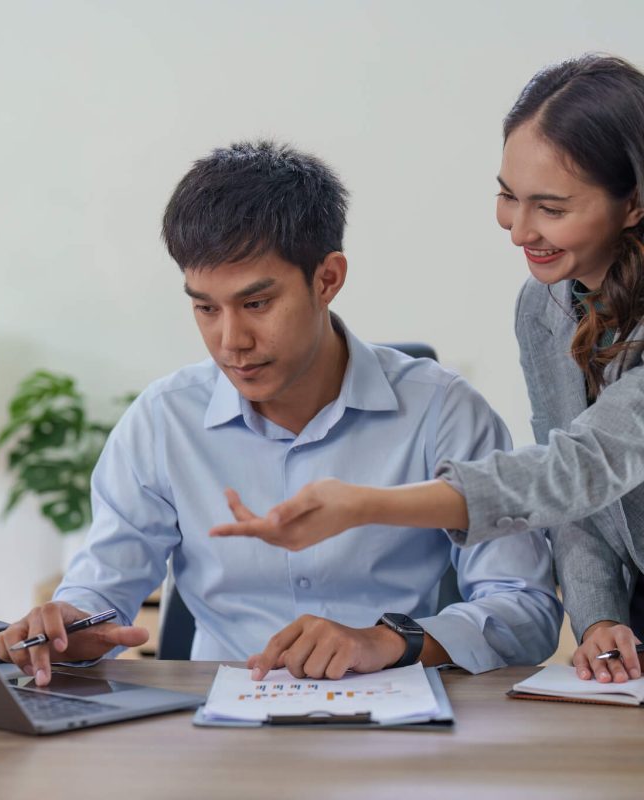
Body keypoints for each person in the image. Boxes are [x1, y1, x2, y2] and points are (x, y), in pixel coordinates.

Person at [0, 141, 561, 685]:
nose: (230, 340)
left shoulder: (443, 412)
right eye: (205, 308)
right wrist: (69, 627)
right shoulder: (164, 421)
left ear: (327, 279)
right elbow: (100, 591)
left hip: (396, 732)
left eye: (256, 303)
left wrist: (388, 641)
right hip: (215, 738)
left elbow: (526, 608)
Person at [210, 54, 644, 685]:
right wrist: (600, 618)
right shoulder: (544, 304)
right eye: (507, 196)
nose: (519, 230)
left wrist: (366, 504)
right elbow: (574, 503)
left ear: (633, 203)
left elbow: (579, 465)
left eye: (550, 208)